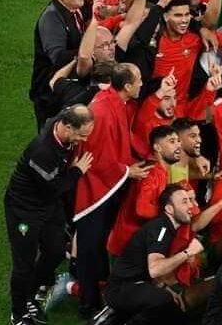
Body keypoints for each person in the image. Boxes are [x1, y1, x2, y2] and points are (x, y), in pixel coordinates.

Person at [73, 63, 154, 318]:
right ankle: (88, 304)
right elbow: (97, 157)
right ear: (127, 86)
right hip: (94, 192)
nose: (142, 84)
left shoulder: (115, 102)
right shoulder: (103, 111)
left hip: (105, 185)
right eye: (138, 80)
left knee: (97, 244)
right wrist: (128, 171)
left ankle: (99, 293)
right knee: (90, 247)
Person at [5, 105, 94, 325]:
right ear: (67, 127)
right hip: (24, 210)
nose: (83, 140)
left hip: (48, 206)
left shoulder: (63, 121)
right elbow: (53, 189)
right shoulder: (43, 151)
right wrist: (77, 171)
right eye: (81, 135)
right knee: (24, 263)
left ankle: (30, 293)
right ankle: (18, 313)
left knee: (55, 251)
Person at [104, 185, 204, 325]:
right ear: (169, 209)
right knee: (162, 300)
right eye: (184, 202)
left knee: (178, 314)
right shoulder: (160, 228)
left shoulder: (166, 227)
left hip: (138, 285)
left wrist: (164, 287)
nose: (191, 206)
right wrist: (188, 252)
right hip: (121, 288)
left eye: (190, 200)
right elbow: (155, 269)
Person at [107, 125, 182, 257]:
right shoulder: (151, 174)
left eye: (178, 141)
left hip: (136, 242)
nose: (178, 145)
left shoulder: (161, 171)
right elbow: (141, 210)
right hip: (129, 245)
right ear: (157, 147)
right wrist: (171, 214)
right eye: (172, 141)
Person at [30, 0, 90, 130]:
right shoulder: (51, 18)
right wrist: (87, 52)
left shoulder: (76, 7)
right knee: (55, 135)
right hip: (50, 94)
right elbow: (58, 57)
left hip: (68, 85)